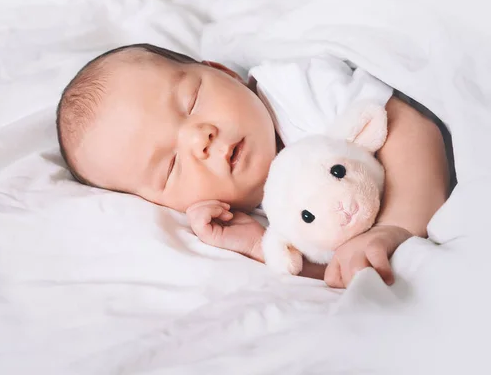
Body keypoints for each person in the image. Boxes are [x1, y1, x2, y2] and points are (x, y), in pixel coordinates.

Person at [56, 43, 452, 288]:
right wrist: (256, 246)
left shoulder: (299, 88)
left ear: (223, 73)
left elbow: (410, 128)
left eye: (191, 101)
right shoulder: (256, 217)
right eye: (171, 166)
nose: (199, 138)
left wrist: (393, 228)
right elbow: (339, 270)